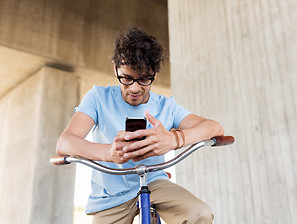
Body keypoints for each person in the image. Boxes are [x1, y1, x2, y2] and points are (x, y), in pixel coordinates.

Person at [56, 27, 224, 224]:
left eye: (144, 79)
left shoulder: (166, 106)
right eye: (126, 78)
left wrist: (174, 139)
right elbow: (64, 143)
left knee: (200, 214)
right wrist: (108, 153)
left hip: (155, 184)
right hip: (110, 195)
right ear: (115, 68)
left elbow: (214, 128)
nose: (135, 88)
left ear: (154, 73)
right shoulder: (98, 98)